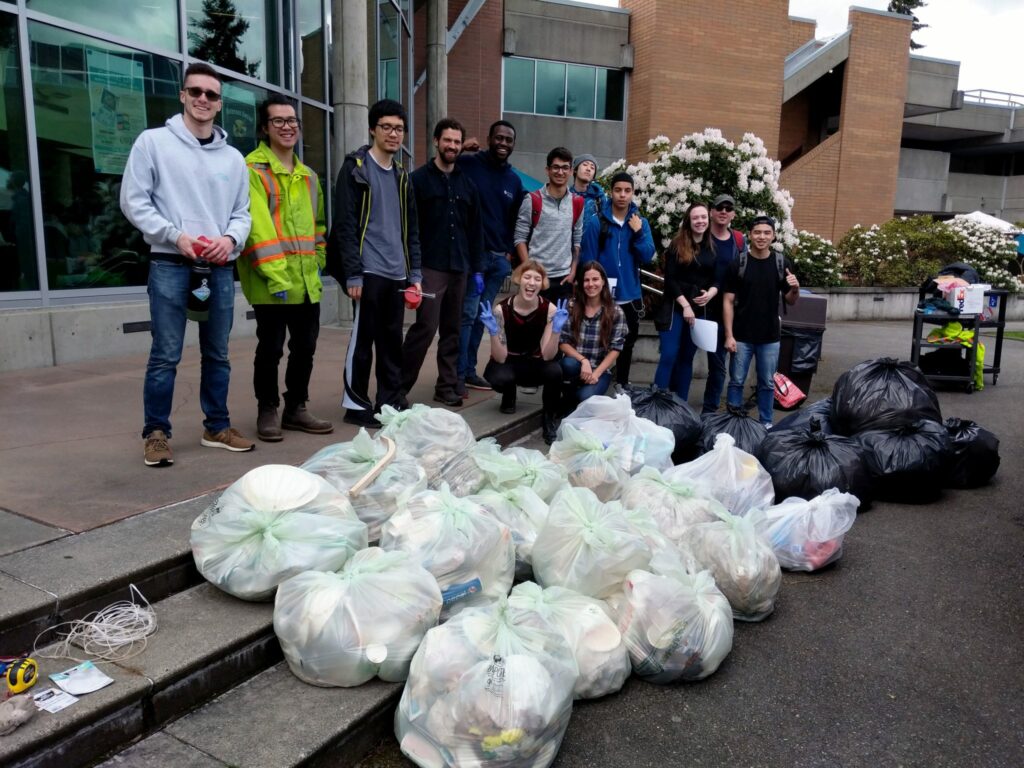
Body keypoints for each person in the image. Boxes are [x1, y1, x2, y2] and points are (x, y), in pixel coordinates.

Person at [120, 62, 253, 467]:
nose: (202, 99)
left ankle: (217, 426)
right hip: (170, 262)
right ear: (182, 95)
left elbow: (242, 213)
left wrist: (229, 240)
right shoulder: (153, 143)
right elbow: (133, 201)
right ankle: (156, 433)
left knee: (219, 353)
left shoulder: (232, 159)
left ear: (219, 104)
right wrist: (175, 235)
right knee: (165, 353)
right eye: (195, 91)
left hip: (217, 267)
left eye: (211, 95)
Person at [239, 95, 333, 442]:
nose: (287, 126)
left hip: (307, 280)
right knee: (271, 349)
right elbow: (257, 228)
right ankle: (268, 409)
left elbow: (319, 226)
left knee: (305, 347)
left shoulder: (308, 176)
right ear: (265, 128)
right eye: (278, 121)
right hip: (271, 281)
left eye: (292, 120)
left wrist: (319, 259)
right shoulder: (252, 169)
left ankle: (296, 407)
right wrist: (277, 274)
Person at [327, 99, 422, 429]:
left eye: (399, 128)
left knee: (391, 342)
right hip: (367, 271)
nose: (394, 134)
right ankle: (355, 404)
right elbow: (345, 223)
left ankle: (389, 400)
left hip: (397, 272)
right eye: (387, 127)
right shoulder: (356, 167)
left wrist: (415, 275)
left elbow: (411, 229)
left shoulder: (401, 175)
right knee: (362, 341)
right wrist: (353, 271)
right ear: (373, 129)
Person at [401, 118, 483, 408]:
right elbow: (409, 227)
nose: (452, 146)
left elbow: (475, 229)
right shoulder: (418, 180)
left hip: (460, 267)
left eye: (457, 142)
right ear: (436, 141)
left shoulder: (468, 184)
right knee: (424, 328)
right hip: (430, 267)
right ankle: (398, 388)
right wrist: (413, 270)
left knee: (453, 330)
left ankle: (446, 386)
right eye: (447, 140)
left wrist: (477, 270)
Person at [455, 120, 525, 394]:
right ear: (488, 138)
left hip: (498, 261)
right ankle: (457, 375)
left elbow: (516, 219)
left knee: (482, 317)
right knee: (467, 314)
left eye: (508, 139)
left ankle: (470, 371)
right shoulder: (470, 164)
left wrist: (508, 252)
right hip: (475, 258)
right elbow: (443, 166)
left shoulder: (514, 180)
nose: (503, 143)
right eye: (499, 138)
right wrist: (460, 148)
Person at [722, 215, 800, 428]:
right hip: (741, 335)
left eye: (767, 232)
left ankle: (766, 423)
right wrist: (729, 335)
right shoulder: (738, 262)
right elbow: (727, 301)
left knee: (766, 384)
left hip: (769, 336)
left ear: (773, 236)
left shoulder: (781, 262)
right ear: (749, 235)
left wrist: (795, 288)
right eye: (757, 232)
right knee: (736, 381)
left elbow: (791, 301)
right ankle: (734, 421)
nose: (762, 236)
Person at [580, 171, 655, 389]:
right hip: (602, 295)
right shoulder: (597, 222)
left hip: (630, 294)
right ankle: (594, 381)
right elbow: (588, 260)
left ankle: (622, 384)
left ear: (633, 193)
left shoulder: (640, 222)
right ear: (611, 192)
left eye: (627, 191)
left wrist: (639, 233)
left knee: (627, 343)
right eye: (618, 190)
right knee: (598, 340)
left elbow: (648, 256)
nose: (622, 195)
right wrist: (590, 291)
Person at [480, 260, 567, 443]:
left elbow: (548, 355)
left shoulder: (549, 309)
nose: (531, 282)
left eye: (537, 278)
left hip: (535, 362)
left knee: (555, 371)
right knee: (498, 376)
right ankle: (509, 393)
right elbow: (500, 357)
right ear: (519, 280)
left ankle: (549, 419)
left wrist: (556, 331)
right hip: (509, 362)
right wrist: (494, 332)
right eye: (527, 277)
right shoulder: (501, 309)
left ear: (542, 284)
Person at [653, 202, 724, 404]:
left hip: (698, 310)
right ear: (689, 221)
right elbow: (671, 280)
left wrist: (710, 293)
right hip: (676, 307)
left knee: (686, 359)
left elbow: (718, 279)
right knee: (669, 354)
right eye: (695, 218)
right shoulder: (677, 245)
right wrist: (685, 305)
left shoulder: (712, 247)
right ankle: (656, 400)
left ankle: (680, 405)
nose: (700, 221)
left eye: (703, 217)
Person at [513, 147, 583, 305]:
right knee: (533, 327)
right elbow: (519, 238)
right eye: (556, 167)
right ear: (547, 170)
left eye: (565, 167)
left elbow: (577, 239)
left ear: (571, 171)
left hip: (563, 279)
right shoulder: (532, 199)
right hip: (536, 278)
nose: (560, 172)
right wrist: (529, 270)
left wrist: (572, 272)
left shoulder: (577, 202)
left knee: (558, 328)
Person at [559, 261, 627, 403]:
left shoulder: (615, 312)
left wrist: (596, 373)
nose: (591, 284)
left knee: (584, 398)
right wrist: (583, 361)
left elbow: (616, 348)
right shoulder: (572, 306)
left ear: (603, 282)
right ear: (581, 283)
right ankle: (567, 398)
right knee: (568, 364)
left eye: (595, 279)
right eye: (586, 280)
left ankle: (579, 395)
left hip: (600, 370)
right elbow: (563, 342)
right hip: (576, 364)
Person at [703, 192, 745, 413]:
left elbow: (745, 272)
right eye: (720, 208)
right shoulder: (701, 235)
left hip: (730, 311)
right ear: (711, 212)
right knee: (710, 365)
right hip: (703, 309)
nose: (723, 212)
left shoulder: (738, 240)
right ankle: (702, 409)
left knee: (725, 367)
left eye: (728, 209)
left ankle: (720, 410)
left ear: (733, 215)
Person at [570, 153, 605, 223]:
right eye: (585, 165)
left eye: (592, 168)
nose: (588, 169)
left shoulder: (599, 197)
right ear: (575, 170)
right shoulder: (567, 196)